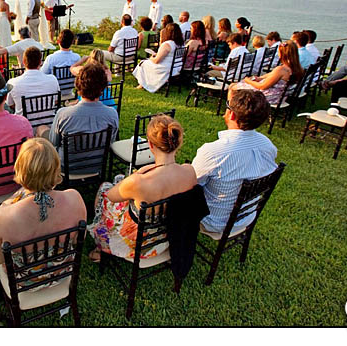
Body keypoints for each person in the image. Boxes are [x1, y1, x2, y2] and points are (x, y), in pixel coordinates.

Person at [0, 139, 87, 283]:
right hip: (61, 274)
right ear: (56, 168)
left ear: (20, 169)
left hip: (25, 281)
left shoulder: (2, 216)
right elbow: (78, 239)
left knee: (23, 195)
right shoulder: (75, 198)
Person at [87, 115, 197, 262]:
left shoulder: (139, 181)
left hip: (137, 243)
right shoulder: (189, 172)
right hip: (168, 236)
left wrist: (138, 173)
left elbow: (111, 196)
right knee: (121, 182)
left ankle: (102, 244)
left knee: (105, 188)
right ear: (178, 142)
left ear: (150, 145)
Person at [192, 87, 278, 234]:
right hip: (246, 217)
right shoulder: (268, 146)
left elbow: (190, 184)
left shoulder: (214, 152)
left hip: (213, 221)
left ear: (231, 114)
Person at [47, 63, 119, 145]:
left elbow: (54, 142)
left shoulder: (63, 115)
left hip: (69, 157)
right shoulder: (112, 114)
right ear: (103, 88)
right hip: (99, 157)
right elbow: (111, 142)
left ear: (78, 85)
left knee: (41, 129)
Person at [233, 41, 304, 105]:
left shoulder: (281, 70)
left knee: (233, 87)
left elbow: (262, 86)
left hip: (270, 97)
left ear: (282, 54)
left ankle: (232, 111)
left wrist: (248, 81)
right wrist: (260, 78)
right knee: (241, 84)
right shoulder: (299, 68)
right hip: (281, 95)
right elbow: (271, 75)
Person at [6, 47, 60, 119]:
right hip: (49, 122)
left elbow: (11, 104)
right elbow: (56, 101)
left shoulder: (12, 83)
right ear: (40, 62)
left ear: (24, 62)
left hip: (23, 125)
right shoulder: (53, 79)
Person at [132, 23, 181, 93]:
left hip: (165, 68)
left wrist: (151, 58)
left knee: (143, 63)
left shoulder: (167, 44)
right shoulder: (180, 44)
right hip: (176, 67)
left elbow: (156, 61)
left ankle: (143, 84)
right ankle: (144, 83)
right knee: (145, 62)